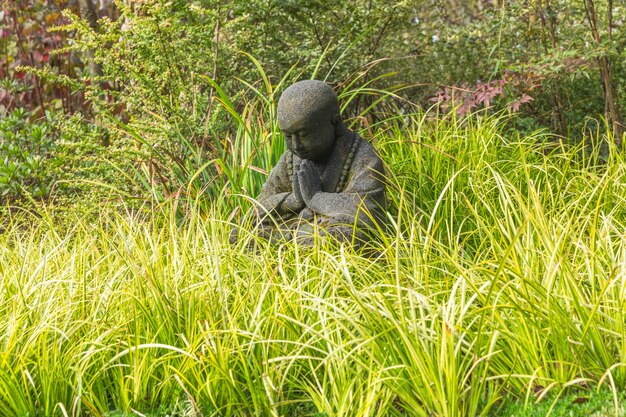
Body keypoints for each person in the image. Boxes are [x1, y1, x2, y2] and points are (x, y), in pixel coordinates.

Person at [234, 80, 387, 247]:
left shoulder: (362, 157)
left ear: (335, 123)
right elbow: (258, 207)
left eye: (304, 134)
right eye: (288, 136)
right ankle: (287, 247)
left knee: (350, 235)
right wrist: (292, 200)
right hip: (294, 228)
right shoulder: (290, 160)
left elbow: (371, 213)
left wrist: (316, 197)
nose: (296, 145)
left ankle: (286, 247)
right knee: (240, 232)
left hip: (327, 230)